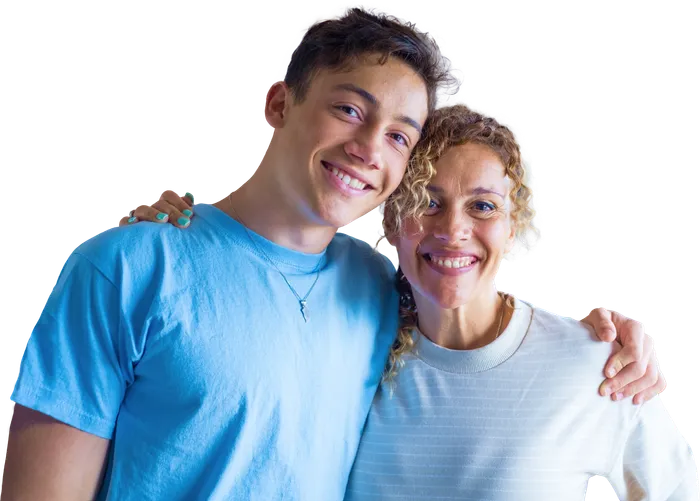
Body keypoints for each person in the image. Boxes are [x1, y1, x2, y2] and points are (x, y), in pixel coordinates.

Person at [3, 3, 666, 501]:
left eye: (400, 136)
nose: (370, 148)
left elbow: (481, 337)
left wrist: (618, 338)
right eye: (350, 110)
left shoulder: (381, 288)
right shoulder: (127, 267)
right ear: (277, 102)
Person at [340, 100, 697, 499]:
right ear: (391, 222)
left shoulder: (596, 363)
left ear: (513, 226)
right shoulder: (353, 356)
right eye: (428, 201)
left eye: (482, 206)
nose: (453, 229)